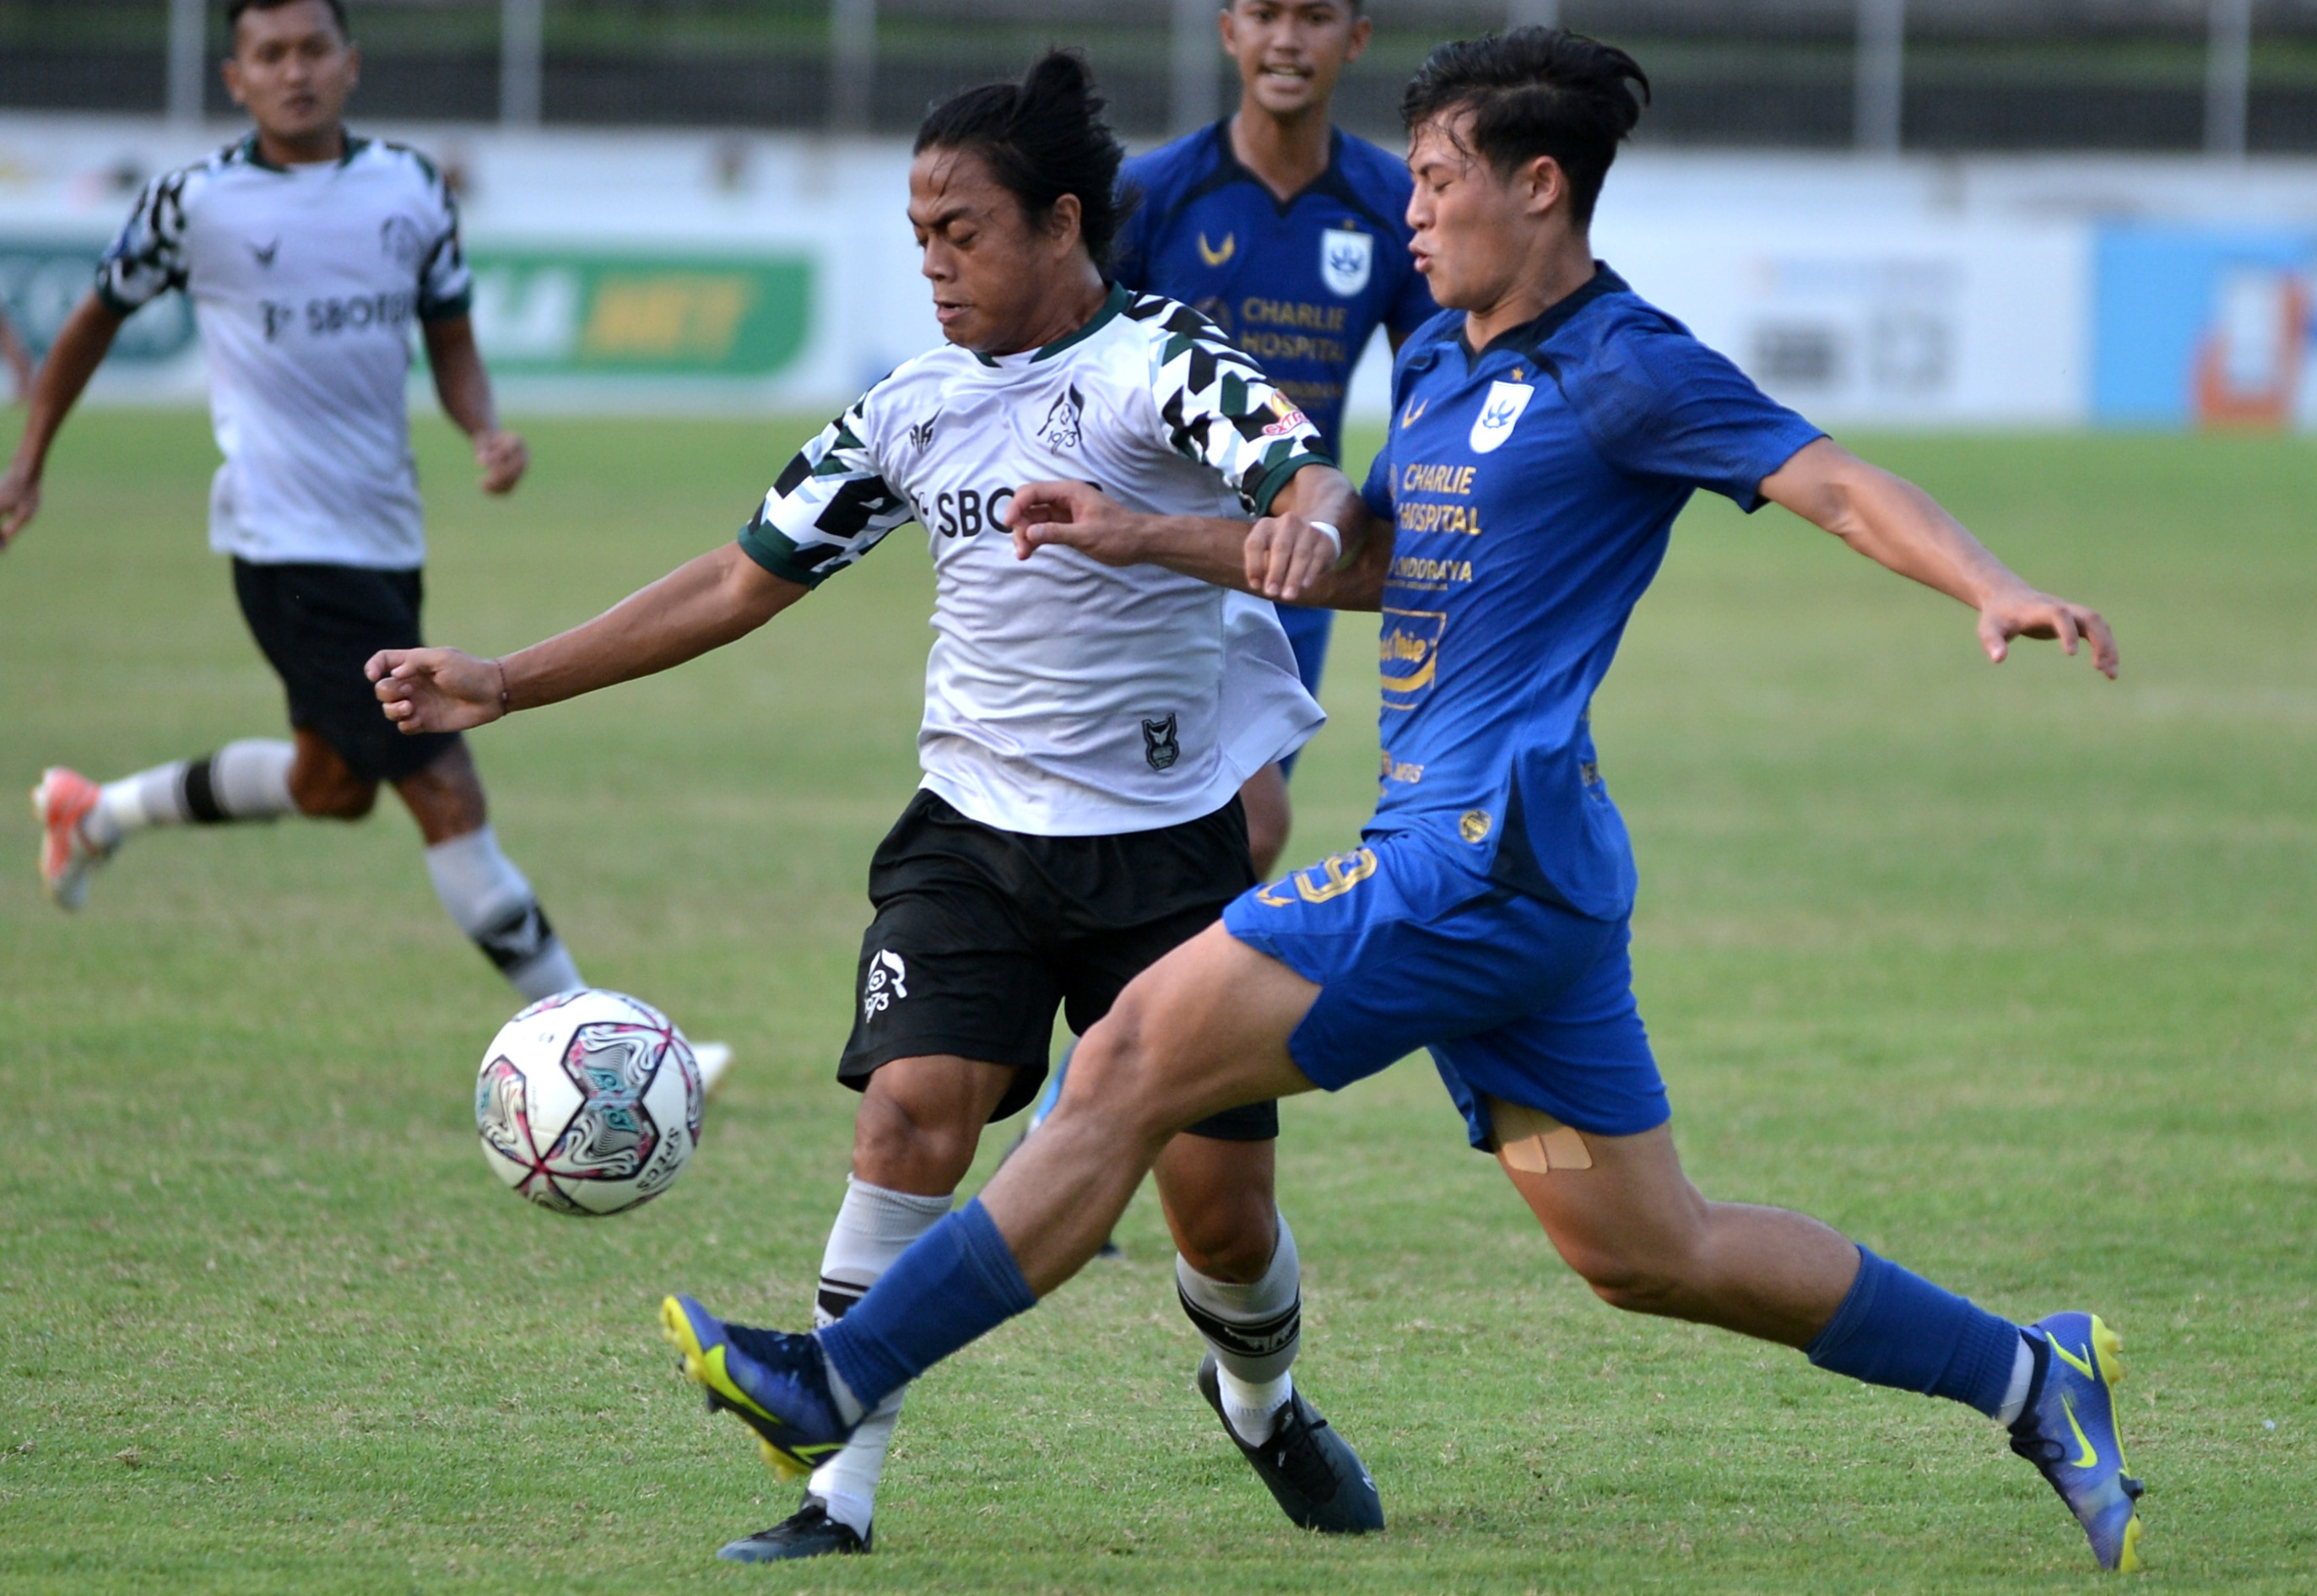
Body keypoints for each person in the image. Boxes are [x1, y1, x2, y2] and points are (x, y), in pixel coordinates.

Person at [615, 30, 2149, 1576]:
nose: (1405, 213)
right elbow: (1365, 568)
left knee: (1131, 1055)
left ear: (1536, 186)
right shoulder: (1435, 360)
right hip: (1524, 890)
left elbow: (1827, 479)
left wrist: (1989, 581)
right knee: (1644, 1251)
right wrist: (1140, 535)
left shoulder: (1623, 366)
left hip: (1469, 861)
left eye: (1433, 180)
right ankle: (2031, 1374)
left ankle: (836, 1377)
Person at [368, 52, 1384, 1562]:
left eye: (958, 232)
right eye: (916, 234)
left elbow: (1301, 484)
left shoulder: (1162, 364)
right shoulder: (907, 411)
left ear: (1057, 223)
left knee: (1218, 1219)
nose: (931, 264)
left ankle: (1261, 1397)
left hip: (1163, 856)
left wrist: (1290, 534)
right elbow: (735, 579)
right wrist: (506, 682)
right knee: (911, 1116)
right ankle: (832, 1487)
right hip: (966, 835)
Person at [2, 0, 586, 1007]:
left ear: (350, 64)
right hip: (285, 543)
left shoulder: (409, 188)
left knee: (332, 785)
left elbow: (450, 338)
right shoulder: (195, 203)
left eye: (313, 48)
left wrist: (481, 427)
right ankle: (593, 1036)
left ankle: (97, 811)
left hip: (384, 535)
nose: (294, 71)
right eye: (269, 54)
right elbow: (91, 322)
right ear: (236, 79)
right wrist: (31, 457)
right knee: (443, 786)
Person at [1112, 0, 1436, 876]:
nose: (1287, 38)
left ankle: (1152, 1012)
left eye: (1316, 16)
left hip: (1299, 556)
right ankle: (1157, 1012)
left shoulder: (1397, 209)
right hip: (1158, 556)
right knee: (1235, 825)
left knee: (1227, 841)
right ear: (1228, 31)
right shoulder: (1149, 196)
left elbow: (1429, 391)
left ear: (1356, 39)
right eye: (1263, 13)